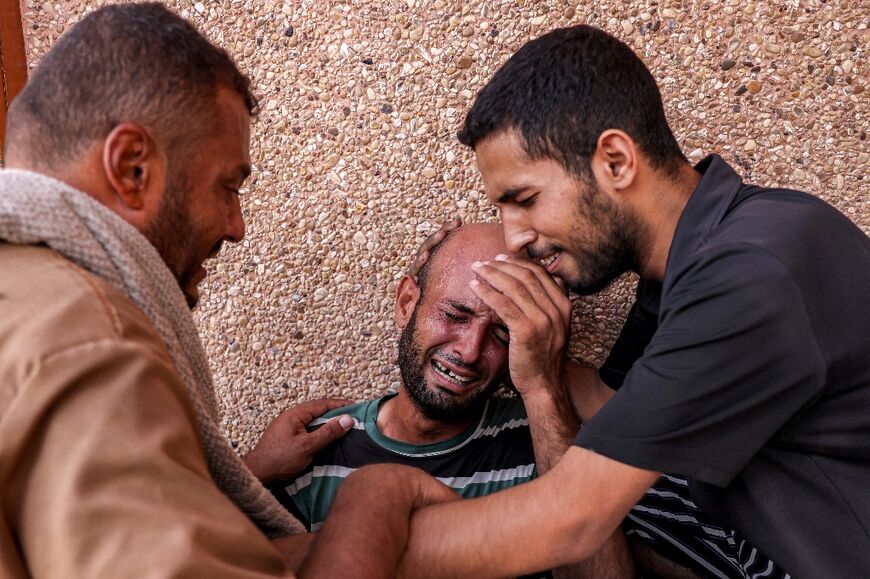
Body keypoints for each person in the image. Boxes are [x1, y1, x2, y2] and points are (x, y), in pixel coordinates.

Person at [317, 24, 870, 578]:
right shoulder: (683, 262)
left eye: (525, 199)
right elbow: (615, 407)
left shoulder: (751, 275)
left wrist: (331, 544)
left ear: (615, 161)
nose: (515, 237)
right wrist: (533, 351)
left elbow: (572, 519)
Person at [0, 4, 446, 576]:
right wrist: (376, 497)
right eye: (227, 187)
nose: (236, 227)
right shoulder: (88, 343)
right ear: (133, 167)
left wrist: (243, 474)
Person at [251, 222, 632, 578]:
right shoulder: (313, 451)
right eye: (454, 314)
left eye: (503, 333)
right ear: (405, 304)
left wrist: (543, 385)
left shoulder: (545, 441)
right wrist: (252, 472)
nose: (469, 351)